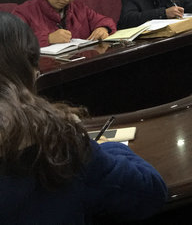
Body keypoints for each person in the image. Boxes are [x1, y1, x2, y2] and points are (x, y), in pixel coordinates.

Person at [0, 12, 167, 223]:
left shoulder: (78, 8)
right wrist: (99, 146)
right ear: (32, 71)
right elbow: (150, 192)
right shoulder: (57, 143)